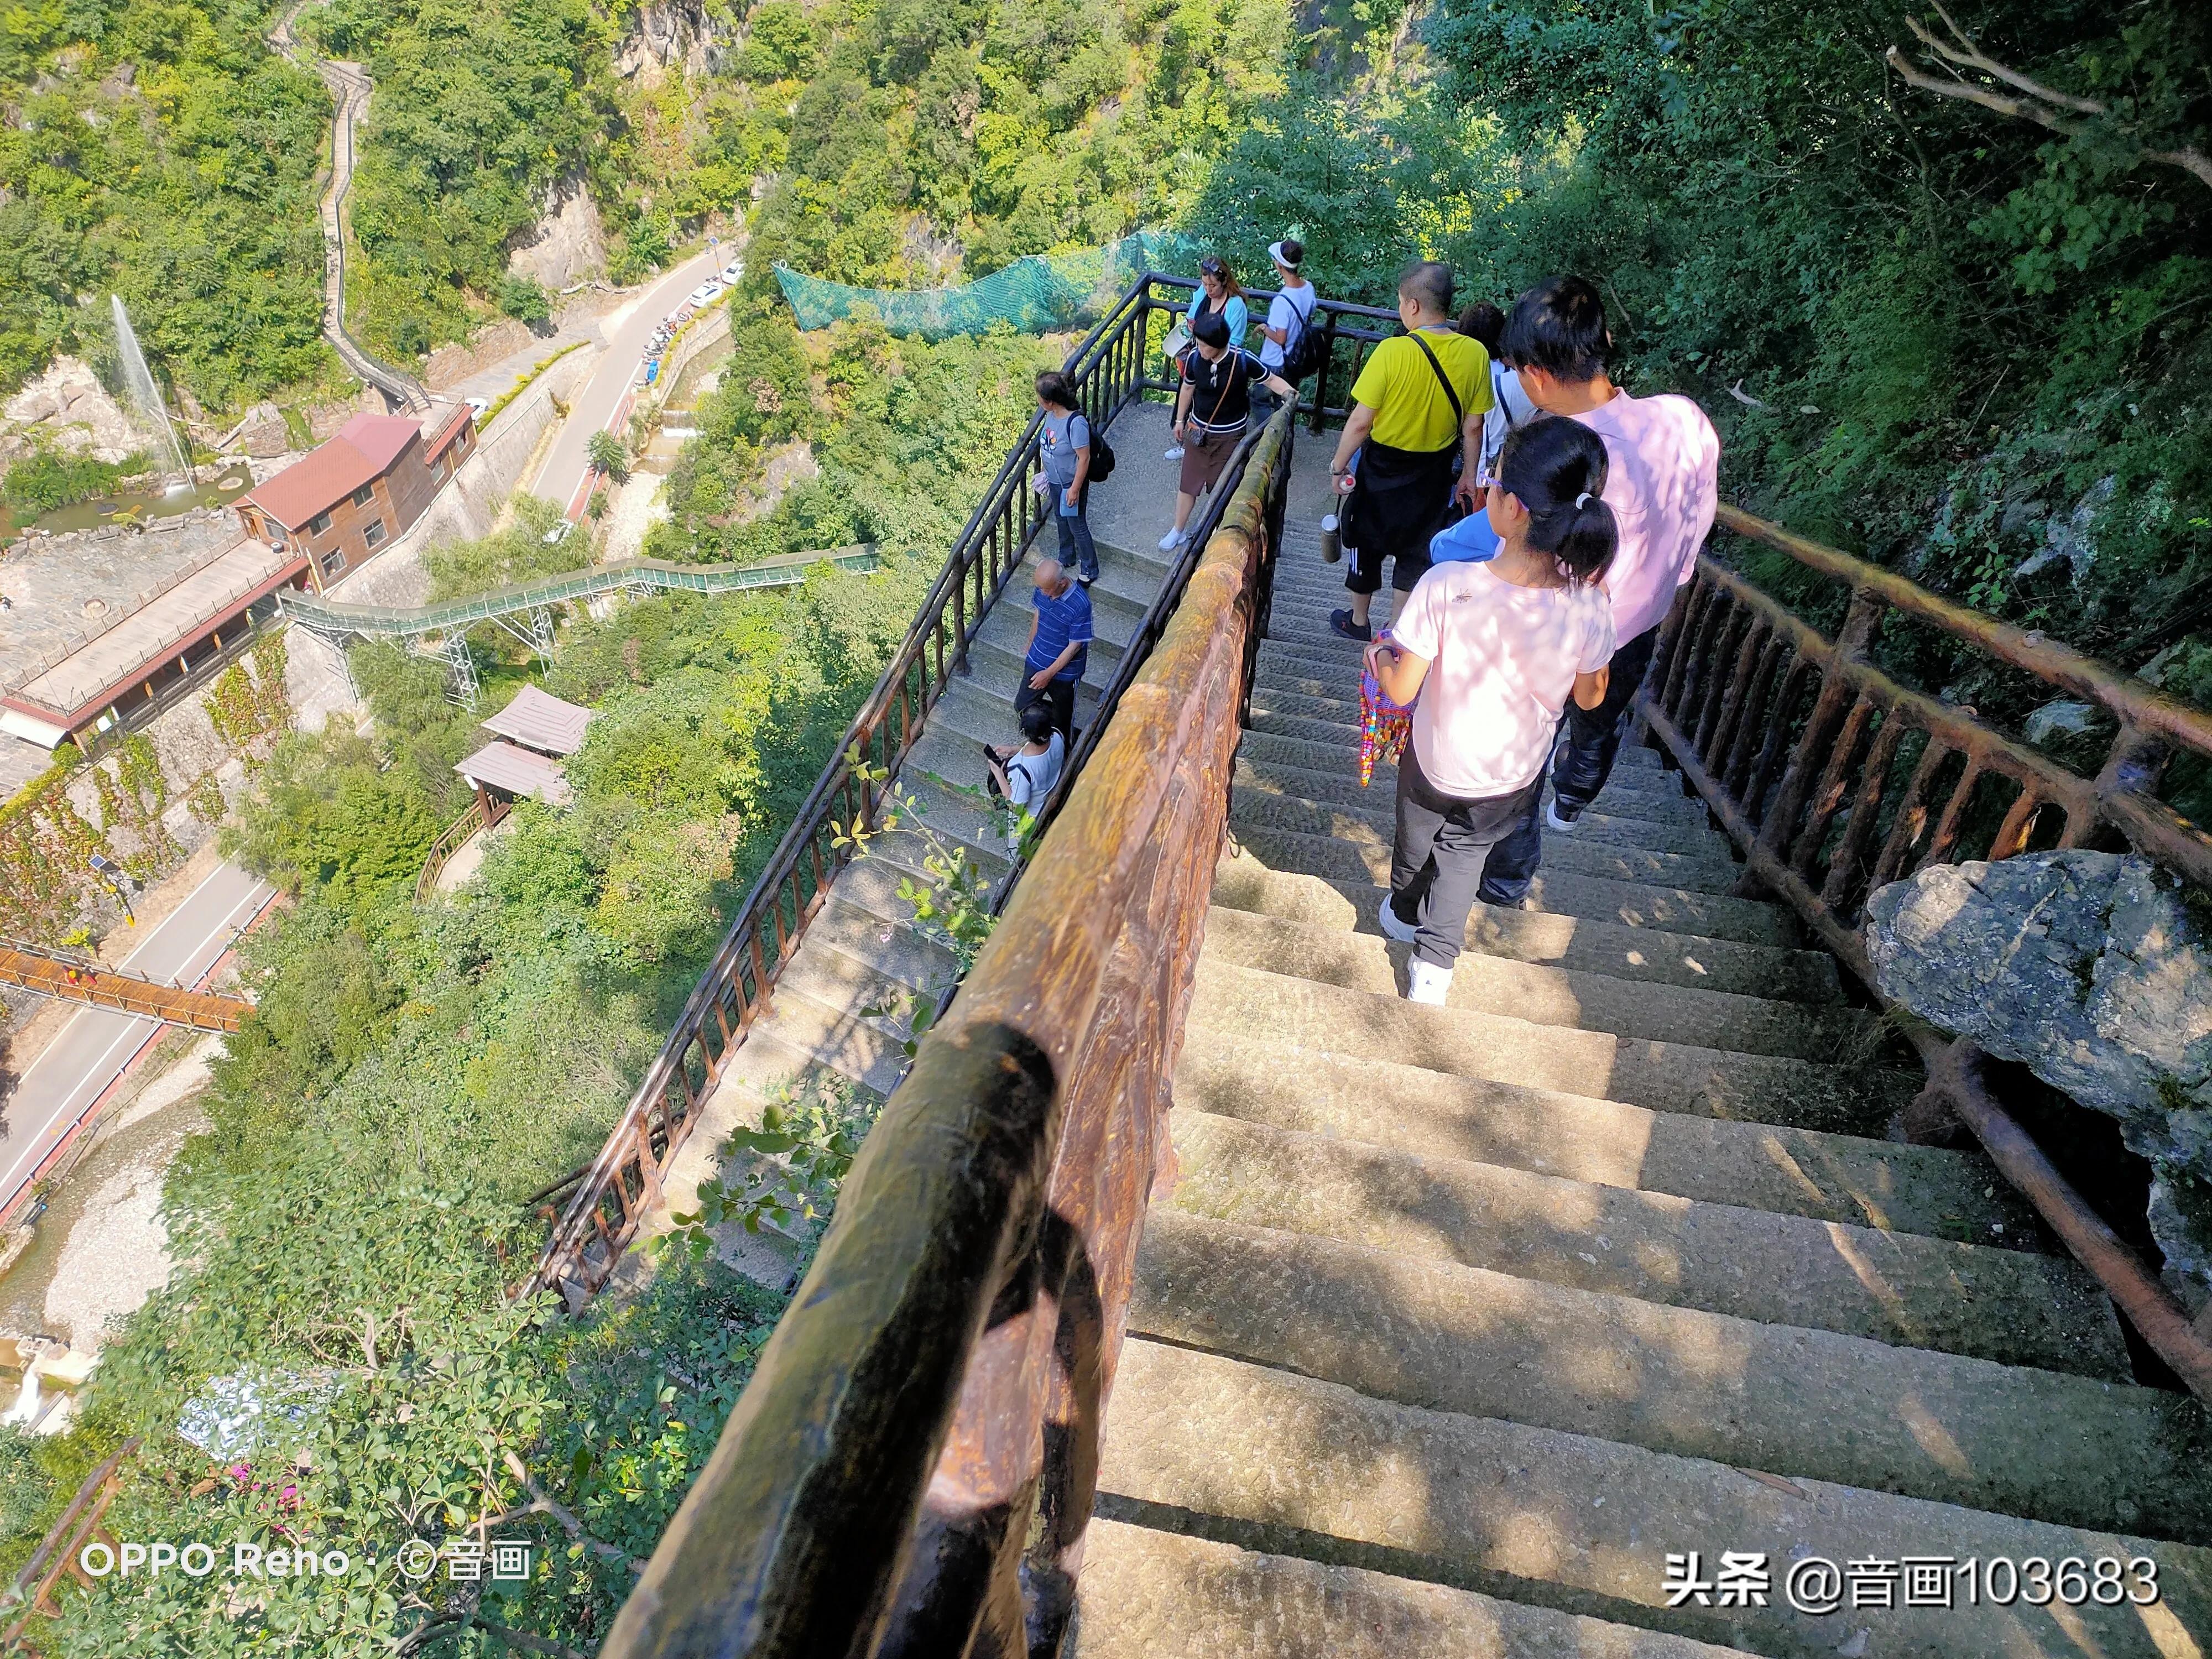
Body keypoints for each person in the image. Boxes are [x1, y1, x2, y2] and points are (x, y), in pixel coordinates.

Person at [1476, 275, 1720, 906]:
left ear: (1531, 374)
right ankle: (1576, 798)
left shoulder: (1566, 457)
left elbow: (1530, 563)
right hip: (1640, 623)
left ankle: (1505, 879)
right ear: (1602, 342)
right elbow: (1698, 515)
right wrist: (1671, 577)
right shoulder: (1683, 419)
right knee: (1599, 720)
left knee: (1524, 750)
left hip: (1559, 635)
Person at [1364, 416, 1619, 1004]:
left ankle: (1404, 912)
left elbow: (1401, 690)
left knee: (1415, 845)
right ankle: (1432, 972)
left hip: (1433, 760)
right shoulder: (1590, 605)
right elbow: (1589, 698)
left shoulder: (1447, 583)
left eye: (1493, 481)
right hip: (1512, 776)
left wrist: (1379, 654)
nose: (1486, 488)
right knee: (1464, 855)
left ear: (1512, 509)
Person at [1327, 262, 1493, 643]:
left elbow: (1360, 423)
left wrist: (1338, 465)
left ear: (1414, 306)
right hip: (1433, 472)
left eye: (1401, 302)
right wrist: (1468, 474)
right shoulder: (1475, 354)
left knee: (1364, 537)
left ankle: (1358, 619)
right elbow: (1473, 426)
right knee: (1419, 546)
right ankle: (1396, 629)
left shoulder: (1392, 352)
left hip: (1382, 466)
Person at [1161, 311, 1295, 552]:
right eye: (1199, 343)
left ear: (1219, 344)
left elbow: (1270, 379)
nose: (1200, 348)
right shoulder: (1194, 358)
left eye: (1205, 345)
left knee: (1221, 487)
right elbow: (1187, 389)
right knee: (1188, 484)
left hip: (1230, 436)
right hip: (1197, 431)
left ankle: (1215, 535)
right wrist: (1180, 420)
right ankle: (1178, 530)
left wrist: (1289, 393)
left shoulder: (1242, 360)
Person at [1165, 257, 1250, 461]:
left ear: (1224, 282)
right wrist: (1191, 326)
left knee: (1208, 403)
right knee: (1187, 394)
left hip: (1220, 361)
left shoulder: (1235, 305)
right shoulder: (1203, 294)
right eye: (1205, 284)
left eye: (1213, 285)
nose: (1208, 289)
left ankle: (1206, 445)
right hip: (1197, 355)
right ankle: (1186, 441)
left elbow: (1234, 340)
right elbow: (1191, 318)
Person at [1457, 300, 1540, 491]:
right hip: (1517, 470)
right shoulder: (1518, 380)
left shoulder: (1465, 376)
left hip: (1481, 474)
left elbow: (1472, 428)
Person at [1017, 556, 1092, 741]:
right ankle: (1044, 724)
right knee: (1022, 704)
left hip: (1065, 673)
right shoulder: (1044, 589)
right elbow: (1039, 612)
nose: (1043, 594)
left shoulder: (1081, 604)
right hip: (1037, 658)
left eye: (1048, 590)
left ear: (1063, 583)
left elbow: (1075, 646)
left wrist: (1049, 674)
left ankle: (1062, 747)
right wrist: (1030, 642)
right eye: (1041, 588)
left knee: (1063, 720)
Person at [1035, 370, 1098, 586]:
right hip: (1055, 480)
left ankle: (1090, 567)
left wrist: (1075, 489)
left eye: (1039, 396)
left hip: (1071, 483)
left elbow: (1084, 458)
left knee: (1076, 524)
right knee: (1062, 521)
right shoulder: (1052, 416)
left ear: (1050, 401)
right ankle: (1067, 556)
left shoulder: (1075, 422)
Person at [982, 698, 1067, 849]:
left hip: (1032, 815)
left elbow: (1016, 805)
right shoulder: (1057, 736)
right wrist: (1014, 749)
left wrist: (999, 775)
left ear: (1025, 732)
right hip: (1052, 788)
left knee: (1016, 850)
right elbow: (1039, 749)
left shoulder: (1020, 768)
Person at [1255, 238, 1318, 413]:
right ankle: (1285, 439)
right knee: (1286, 405)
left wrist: (1263, 328)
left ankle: (1268, 437)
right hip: (1295, 358)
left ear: (1280, 266)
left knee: (1258, 399)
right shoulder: (1308, 288)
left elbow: (1281, 338)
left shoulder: (1282, 302)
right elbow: (1311, 312)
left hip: (1276, 361)